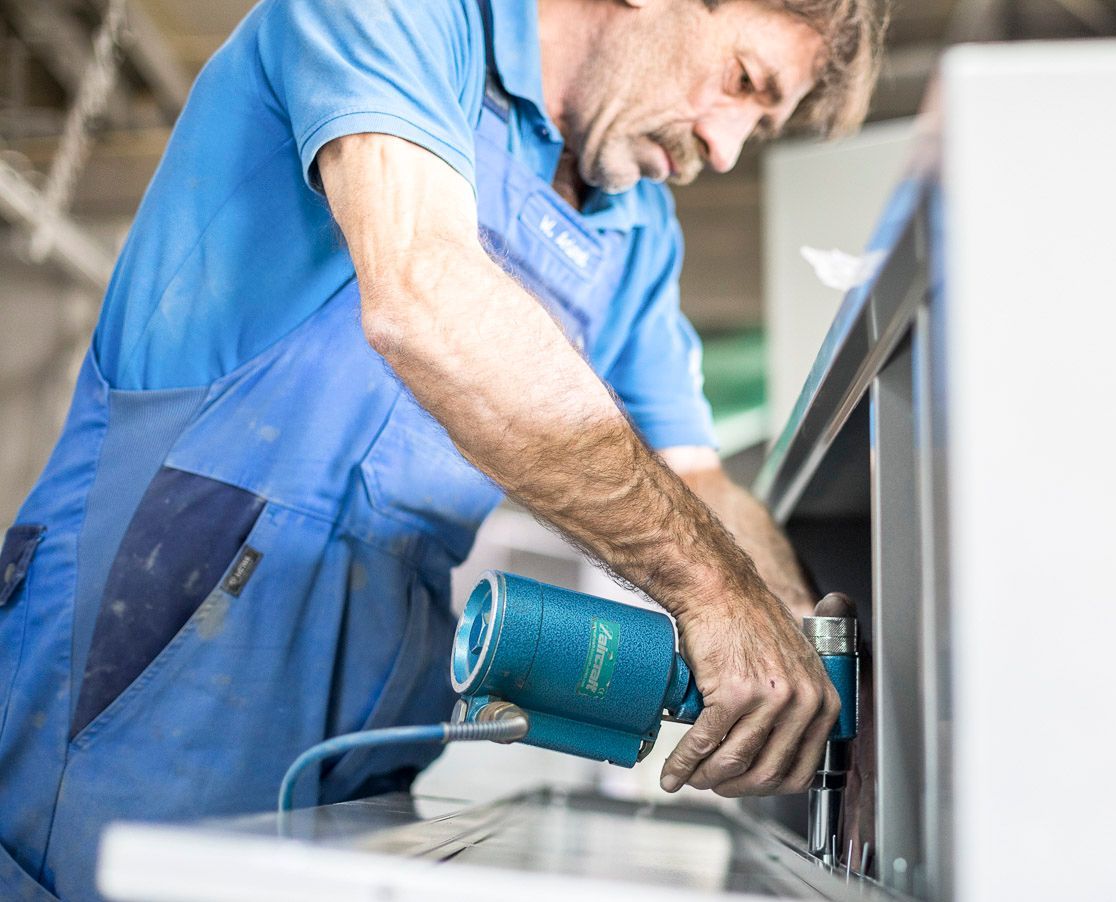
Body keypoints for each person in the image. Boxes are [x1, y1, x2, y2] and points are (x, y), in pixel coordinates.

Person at [0, 0, 884, 896]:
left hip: (381, 688)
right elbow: (425, 295)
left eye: (762, 125)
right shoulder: (402, 17)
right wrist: (711, 590)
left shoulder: (638, 231)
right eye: (742, 81)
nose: (728, 149)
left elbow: (704, 485)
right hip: (159, 623)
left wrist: (806, 657)